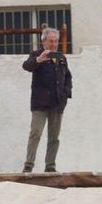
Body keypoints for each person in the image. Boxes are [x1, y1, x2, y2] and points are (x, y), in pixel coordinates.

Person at [21, 28, 71, 173]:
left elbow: (67, 77)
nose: (54, 44)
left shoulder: (61, 57)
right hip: (40, 103)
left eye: (56, 41)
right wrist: (39, 59)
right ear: (44, 41)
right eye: (51, 41)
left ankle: (50, 166)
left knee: (54, 137)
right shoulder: (36, 55)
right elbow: (26, 66)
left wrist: (65, 95)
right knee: (35, 133)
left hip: (57, 103)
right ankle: (28, 165)